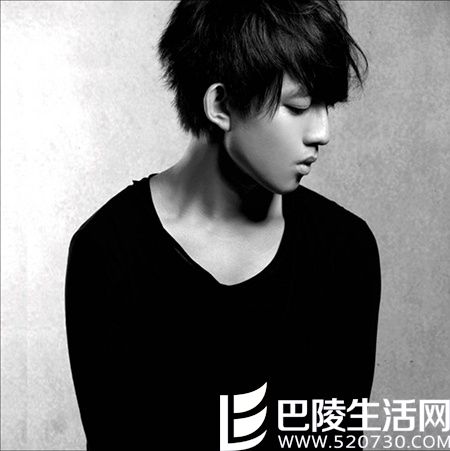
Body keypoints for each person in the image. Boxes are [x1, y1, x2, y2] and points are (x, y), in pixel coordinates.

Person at [65, 0, 381, 449]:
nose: (321, 133)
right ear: (221, 104)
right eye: (298, 107)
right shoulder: (108, 251)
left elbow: (335, 438)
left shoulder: (344, 249)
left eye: (326, 105)